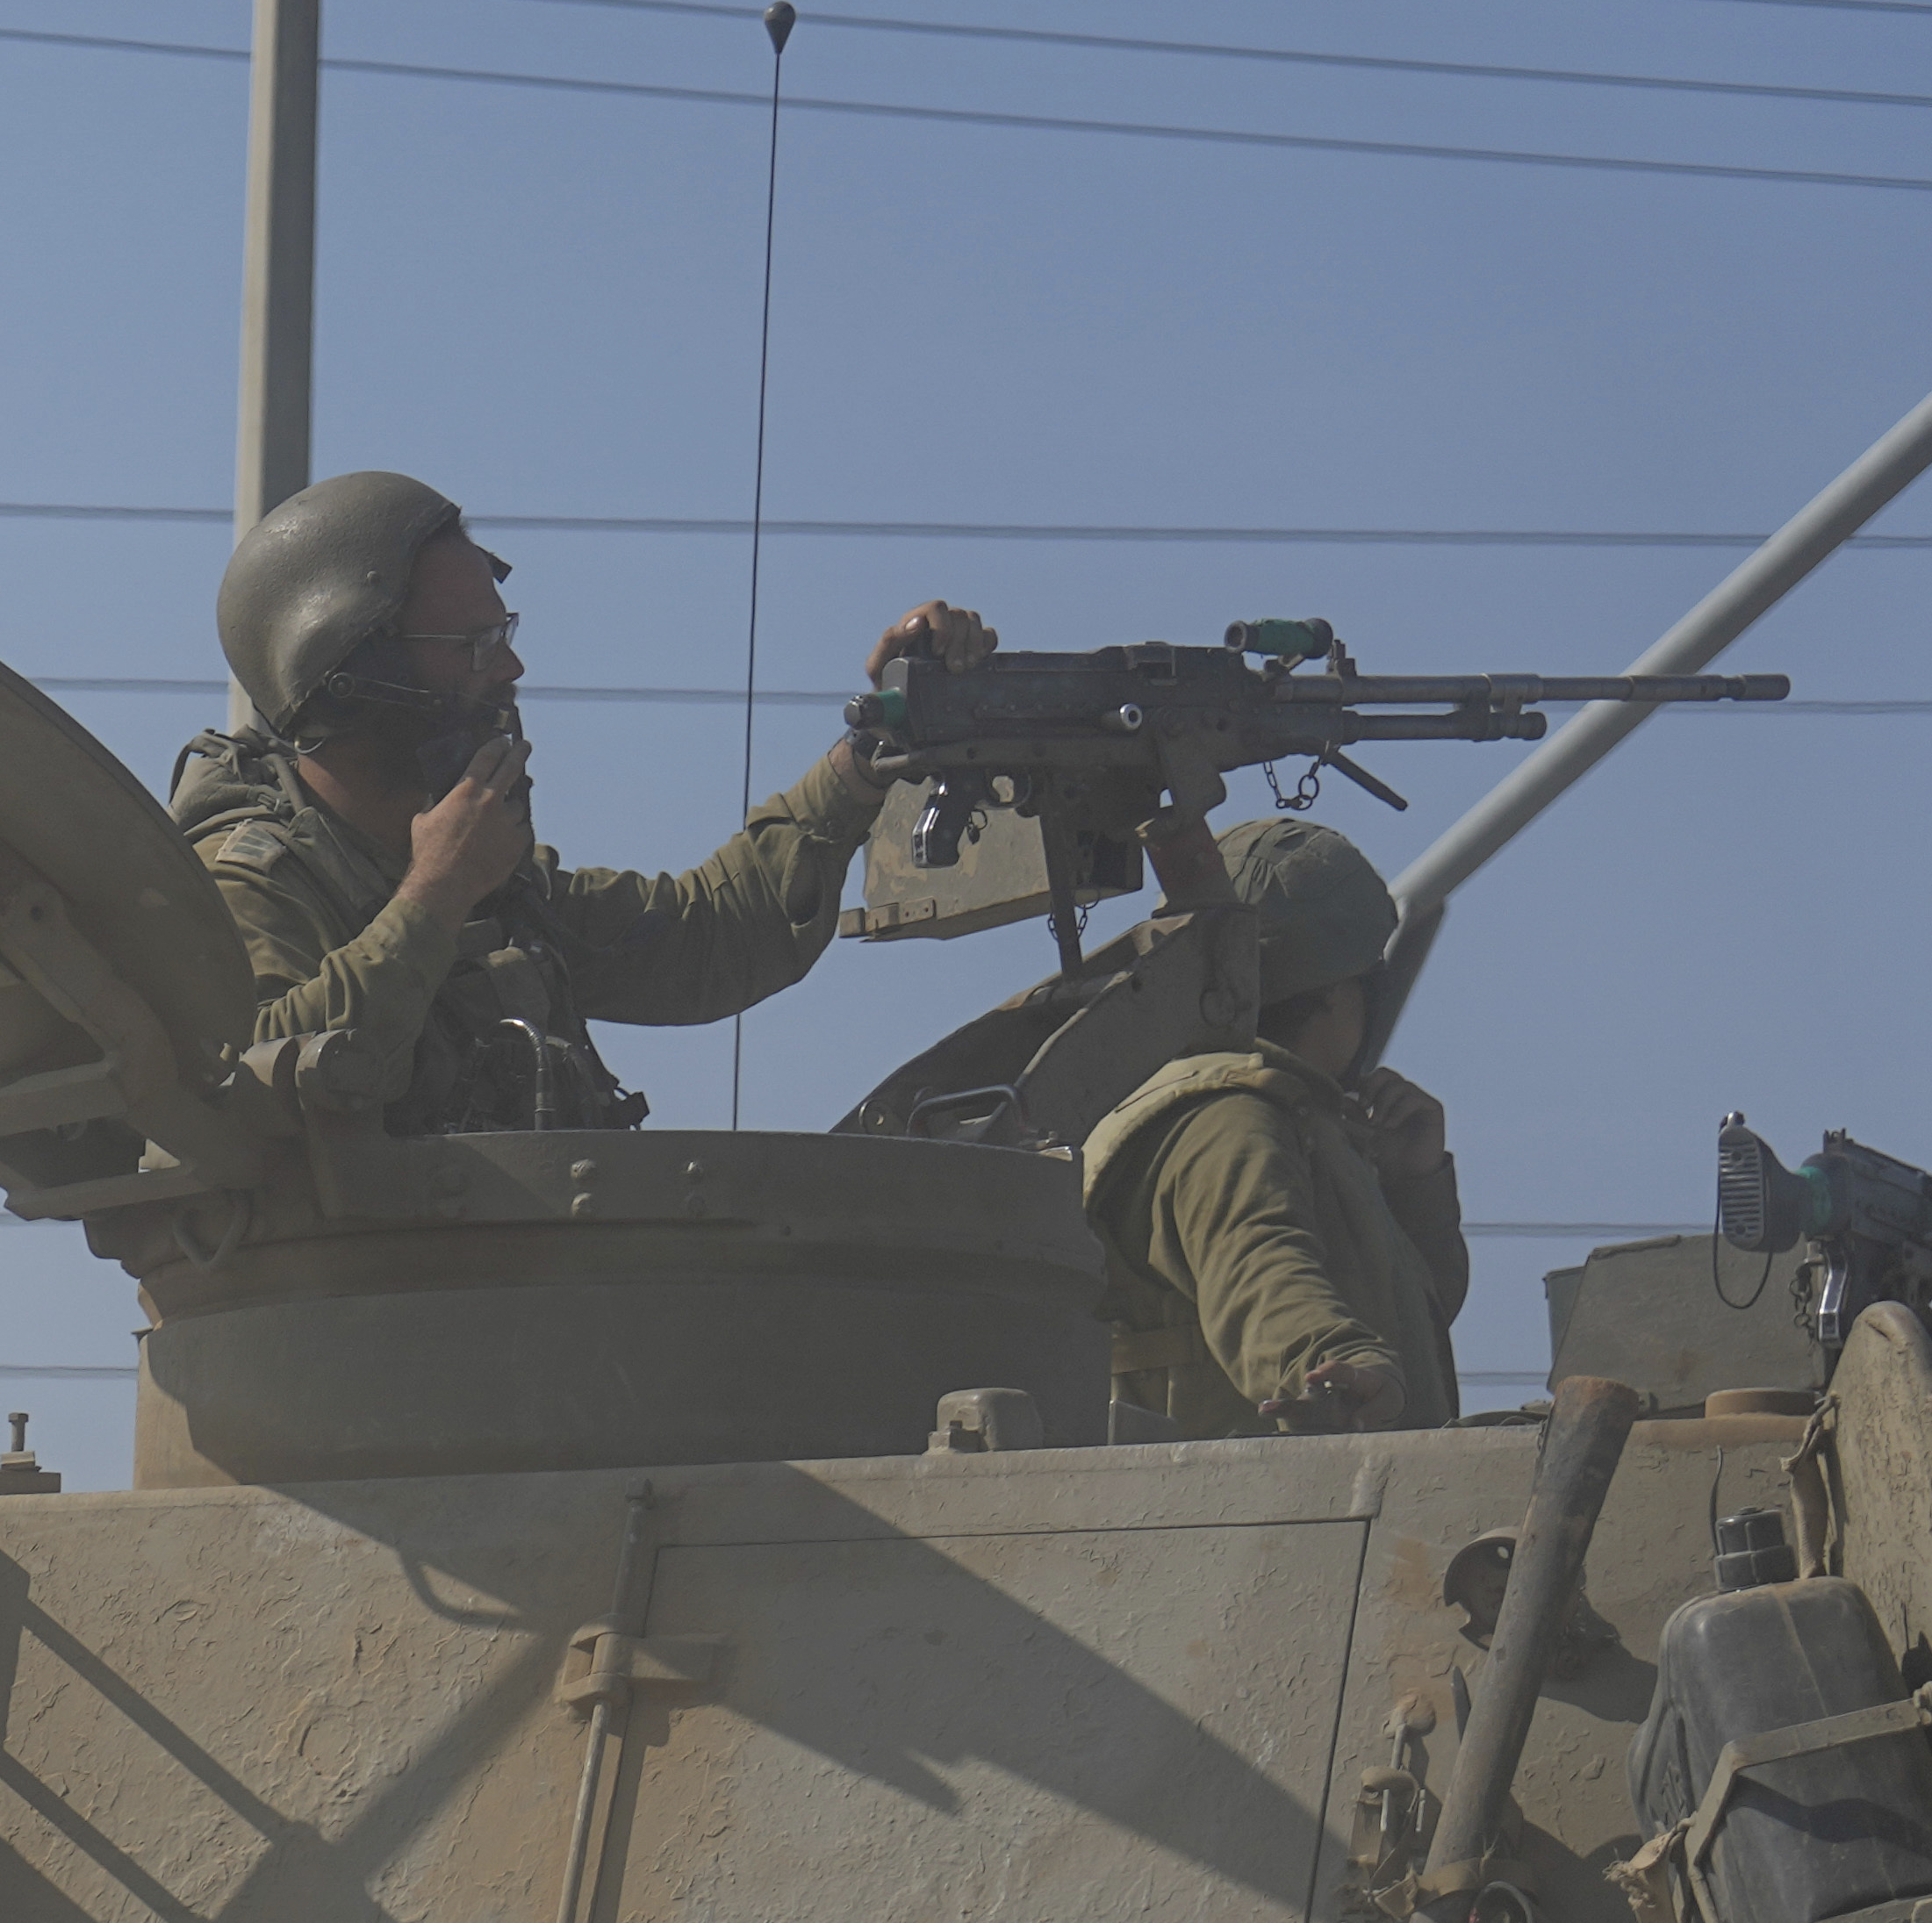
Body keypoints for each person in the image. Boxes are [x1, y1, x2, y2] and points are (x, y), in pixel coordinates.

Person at [169, 469, 988, 1137]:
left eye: (506, 636)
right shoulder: (251, 884)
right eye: (475, 648)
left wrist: (874, 748)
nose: (509, 672)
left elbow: (707, 938)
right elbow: (241, 1097)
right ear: (356, 675)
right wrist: (432, 899)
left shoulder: (499, 884)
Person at [1077, 815, 1470, 1434]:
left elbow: (1409, 1328)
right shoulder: (1224, 1121)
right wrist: (1329, 1362)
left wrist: (1411, 1184)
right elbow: (1260, 1272)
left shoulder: (1292, 1120)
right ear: (1339, 992)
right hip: (1249, 1513)